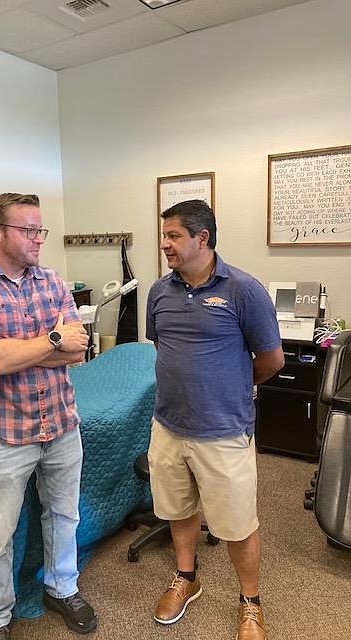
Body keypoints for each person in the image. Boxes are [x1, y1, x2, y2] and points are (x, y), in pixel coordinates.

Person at [0, 193, 97, 640]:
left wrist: (19, 350)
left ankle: (61, 587)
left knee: (64, 515)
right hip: (4, 432)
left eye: (39, 229)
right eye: (29, 230)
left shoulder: (52, 281)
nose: (38, 239)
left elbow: (78, 350)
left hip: (61, 423)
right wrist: (51, 339)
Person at [146, 200, 284, 640]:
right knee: (178, 508)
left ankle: (250, 602)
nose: (165, 244)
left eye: (173, 236)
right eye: (164, 235)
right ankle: (187, 577)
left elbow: (272, 360)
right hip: (168, 426)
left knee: (238, 525)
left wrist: (232, 386)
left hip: (223, 430)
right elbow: (164, 348)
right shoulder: (159, 292)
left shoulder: (244, 290)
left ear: (202, 238)